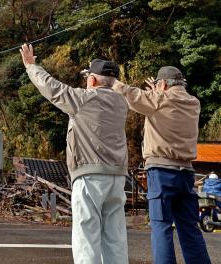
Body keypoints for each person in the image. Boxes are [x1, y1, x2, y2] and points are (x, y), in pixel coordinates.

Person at [20, 44, 129, 264]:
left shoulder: (84, 100)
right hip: (117, 177)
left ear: (92, 80)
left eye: (88, 76)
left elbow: (53, 89)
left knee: (86, 236)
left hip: (90, 176)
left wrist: (31, 67)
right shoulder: (121, 103)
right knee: (115, 238)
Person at [112, 66, 211, 264]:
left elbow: (132, 94)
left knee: (161, 226)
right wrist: (156, 90)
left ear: (163, 83)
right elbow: (161, 100)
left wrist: (113, 82)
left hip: (161, 171)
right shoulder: (194, 103)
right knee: (189, 228)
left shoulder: (157, 100)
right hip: (186, 173)